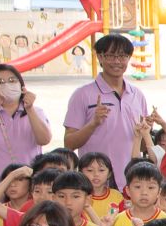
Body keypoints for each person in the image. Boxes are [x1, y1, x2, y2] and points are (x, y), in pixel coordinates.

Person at [64, 35, 150, 189]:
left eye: (122, 56)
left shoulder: (137, 95)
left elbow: (143, 147)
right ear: (100, 57)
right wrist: (93, 123)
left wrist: (146, 133)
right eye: (111, 55)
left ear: (129, 58)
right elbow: (69, 143)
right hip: (96, 182)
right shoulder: (82, 94)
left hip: (131, 182)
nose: (117, 61)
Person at [0, 64, 51, 193]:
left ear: (21, 84)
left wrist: (30, 109)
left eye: (12, 80)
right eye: (1, 82)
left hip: (27, 187)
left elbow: (45, 139)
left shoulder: (36, 111)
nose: (7, 84)